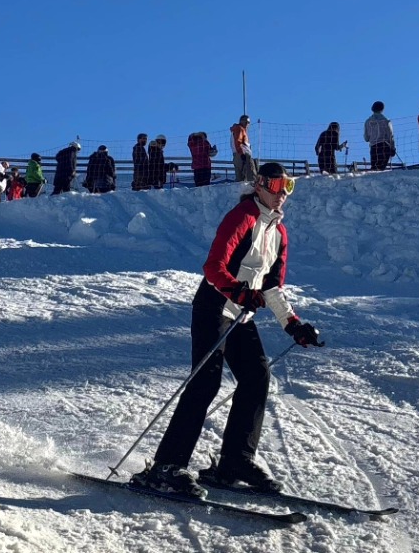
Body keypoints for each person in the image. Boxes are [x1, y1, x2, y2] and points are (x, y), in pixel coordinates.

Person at [132, 162, 323, 499]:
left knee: (257, 376)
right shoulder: (243, 216)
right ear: (260, 185)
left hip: (240, 314)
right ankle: (167, 466)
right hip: (214, 306)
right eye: (277, 186)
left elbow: (272, 286)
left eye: (288, 187)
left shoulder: (278, 232)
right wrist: (237, 291)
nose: (282, 194)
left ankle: (235, 462)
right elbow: (214, 267)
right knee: (206, 381)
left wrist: (292, 324)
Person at [363, 102, 395, 171]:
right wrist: (393, 147)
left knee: (374, 168)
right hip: (384, 146)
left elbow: (366, 138)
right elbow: (390, 135)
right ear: (382, 109)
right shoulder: (386, 120)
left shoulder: (367, 122)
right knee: (381, 168)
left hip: (373, 147)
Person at [230, 115, 257, 184]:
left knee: (240, 178)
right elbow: (238, 141)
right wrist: (242, 153)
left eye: (248, 122)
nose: (247, 124)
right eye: (246, 122)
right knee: (250, 175)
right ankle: (253, 188)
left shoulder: (236, 129)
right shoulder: (240, 129)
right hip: (243, 154)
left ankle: (240, 190)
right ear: (241, 121)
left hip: (237, 155)